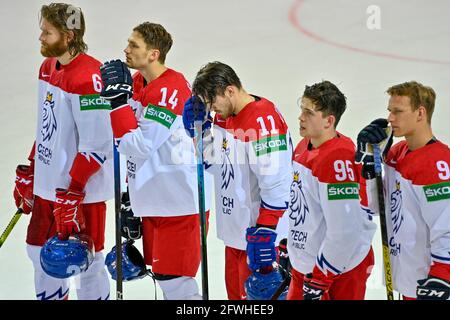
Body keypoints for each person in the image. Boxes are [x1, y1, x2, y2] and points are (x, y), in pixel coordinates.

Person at [99, 22, 211, 300]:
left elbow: (137, 145)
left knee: (176, 283)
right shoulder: (138, 82)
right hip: (156, 201)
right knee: (165, 279)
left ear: (153, 54)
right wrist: (131, 198)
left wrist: (117, 102)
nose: (126, 49)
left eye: (134, 45)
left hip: (180, 205)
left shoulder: (169, 90)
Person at [13, 3, 113, 300]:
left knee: (88, 265)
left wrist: (73, 192)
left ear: (69, 36)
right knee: (38, 254)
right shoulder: (48, 67)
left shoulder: (89, 77)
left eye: (47, 31)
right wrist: (33, 170)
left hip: (78, 193)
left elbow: (97, 145)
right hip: (49, 187)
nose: (41, 37)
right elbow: (48, 126)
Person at [182, 61, 292, 300]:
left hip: (261, 238)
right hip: (236, 235)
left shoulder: (262, 120)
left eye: (213, 104)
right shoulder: (225, 117)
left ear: (230, 90)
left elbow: (278, 185)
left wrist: (265, 231)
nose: (212, 111)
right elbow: (215, 166)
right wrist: (198, 131)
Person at [356, 81, 450, 300]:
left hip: (431, 284)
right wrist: (369, 164)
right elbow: (377, 206)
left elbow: (446, 224)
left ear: (420, 113)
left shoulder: (437, 163)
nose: (390, 118)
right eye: (390, 111)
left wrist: (442, 275)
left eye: (398, 111)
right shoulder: (397, 152)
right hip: (409, 280)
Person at [286, 81, 376, 300]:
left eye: (309, 112)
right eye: (302, 110)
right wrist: (291, 245)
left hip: (338, 272)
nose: (301, 117)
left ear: (329, 120)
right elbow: (304, 204)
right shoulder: (303, 146)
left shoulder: (337, 159)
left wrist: (322, 276)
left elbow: (345, 230)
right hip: (308, 267)